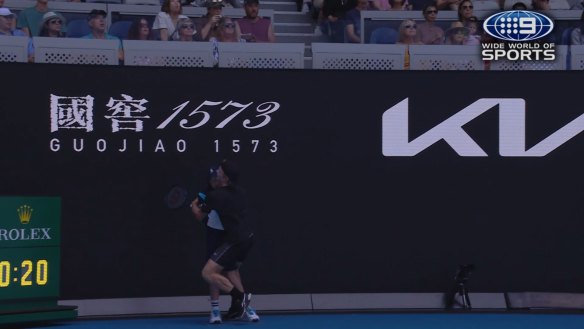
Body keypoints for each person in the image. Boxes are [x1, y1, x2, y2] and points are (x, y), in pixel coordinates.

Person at [190, 159, 255, 321]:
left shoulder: (215, 196)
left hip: (234, 240)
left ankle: (240, 298)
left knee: (208, 273)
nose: (216, 172)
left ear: (225, 178)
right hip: (248, 238)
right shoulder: (240, 192)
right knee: (231, 270)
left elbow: (199, 215)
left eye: (219, 171)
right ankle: (236, 307)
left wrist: (194, 205)